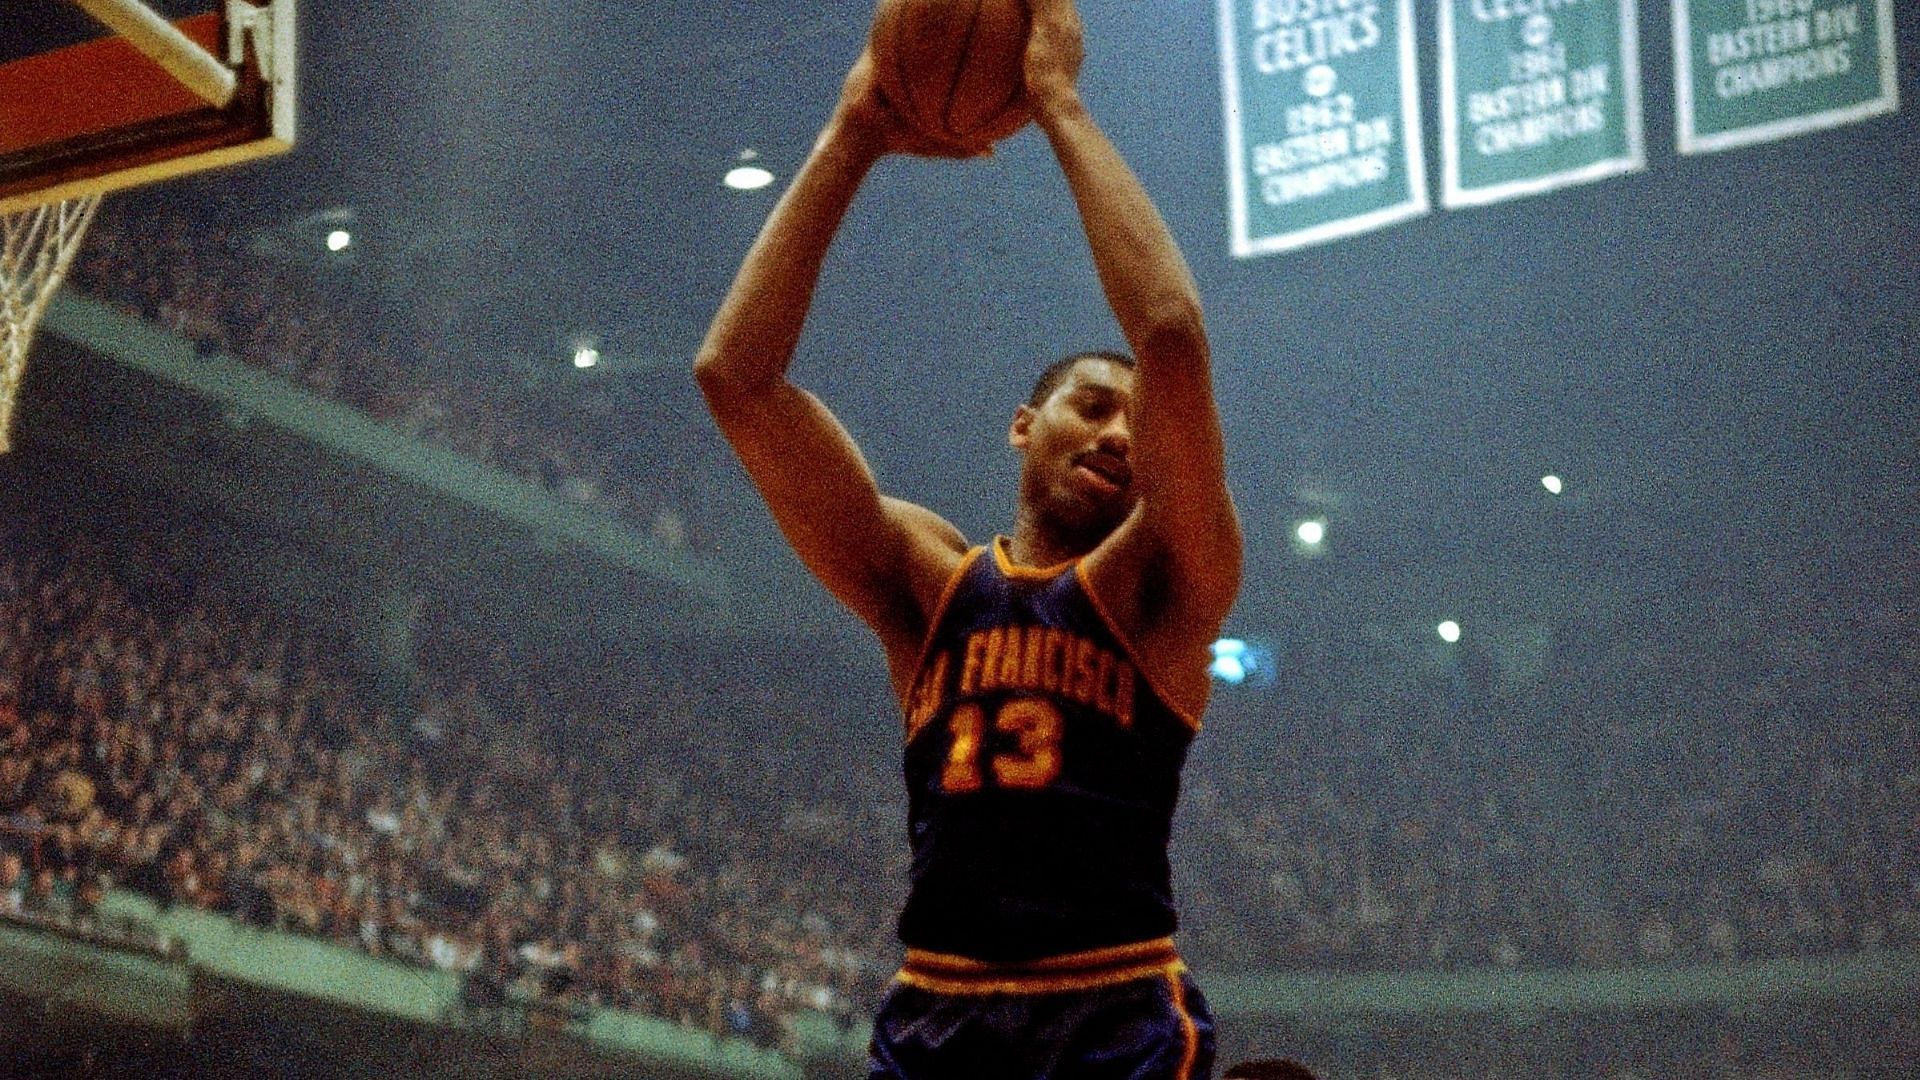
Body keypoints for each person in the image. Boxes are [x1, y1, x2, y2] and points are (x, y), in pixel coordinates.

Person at [695, 1, 1240, 1076]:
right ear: (1023, 426)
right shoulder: (927, 587)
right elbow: (736, 379)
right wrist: (853, 132)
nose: (1121, 433)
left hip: (1111, 1009)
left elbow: (1170, 336)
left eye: (1139, 420)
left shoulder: (1165, 586)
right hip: (937, 1017)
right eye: (1091, 405)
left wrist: (1060, 105)